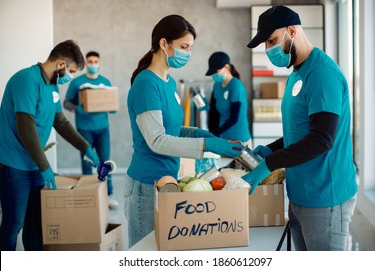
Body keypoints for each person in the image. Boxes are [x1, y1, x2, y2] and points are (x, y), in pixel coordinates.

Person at [242, 5, 358, 251]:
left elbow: (321, 139)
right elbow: (302, 130)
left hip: (325, 197)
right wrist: (272, 150)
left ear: (292, 31)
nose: (268, 49)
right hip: (300, 193)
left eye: (271, 40)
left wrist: (269, 164)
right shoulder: (296, 72)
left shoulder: (322, 74)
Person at [126, 14, 243, 247]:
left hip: (167, 179)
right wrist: (206, 146)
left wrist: (198, 133)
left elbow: (171, 128)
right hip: (146, 184)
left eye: (191, 48)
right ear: (163, 43)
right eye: (183, 47)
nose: (188, 53)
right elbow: (157, 140)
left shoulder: (168, 82)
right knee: (146, 255)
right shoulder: (146, 84)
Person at [0, 40, 99, 251]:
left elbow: (60, 121)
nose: (69, 77)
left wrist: (85, 147)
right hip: (14, 165)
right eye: (71, 71)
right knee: (13, 224)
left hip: (35, 164)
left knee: (36, 222)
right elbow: (26, 128)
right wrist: (45, 167)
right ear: (61, 64)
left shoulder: (52, 85)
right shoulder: (26, 80)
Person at [64, 51, 118, 209]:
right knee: (87, 162)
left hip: (102, 129)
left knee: (105, 162)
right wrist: (76, 108)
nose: (93, 64)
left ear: (99, 63)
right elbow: (66, 103)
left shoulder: (105, 82)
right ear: (86, 63)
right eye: (90, 62)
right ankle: (88, 197)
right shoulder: (77, 83)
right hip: (84, 129)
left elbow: (112, 102)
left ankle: (108, 196)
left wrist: (113, 107)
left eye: (95, 61)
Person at [204, 51, 252, 147]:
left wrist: (214, 133)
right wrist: (207, 107)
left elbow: (234, 118)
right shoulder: (216, 86)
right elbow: (218, 111)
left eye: (216, 72)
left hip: (240, 140)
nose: (214, 75)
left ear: (226, 67)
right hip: (223, 139)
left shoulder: (236, 85)